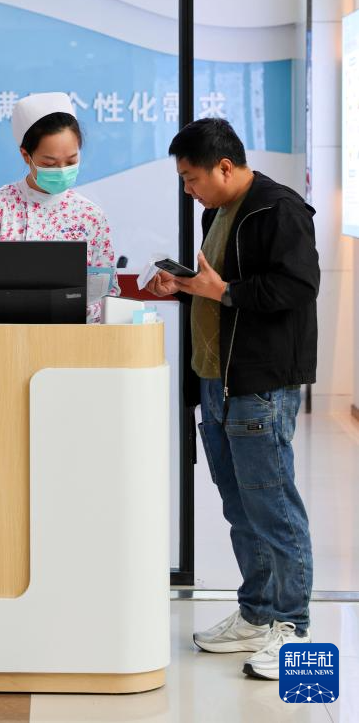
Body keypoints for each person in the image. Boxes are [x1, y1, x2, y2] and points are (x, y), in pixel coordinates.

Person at [146, 118, 319, 681]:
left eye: (191, 178)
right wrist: (184, 287)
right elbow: (220, 293)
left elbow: (298, 287)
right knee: (240, 507)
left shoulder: (279, 209)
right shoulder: (216, 212)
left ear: (224, 166)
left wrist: (221, 290)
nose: (187, 189)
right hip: (214, 380)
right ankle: (256, 614)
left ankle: (293, 627)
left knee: (274, 507)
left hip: (258, 384)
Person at [0, 91, 119, 322]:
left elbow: (109, 294)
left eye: (71, 160)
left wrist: (76, 308)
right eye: (49, 163)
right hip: (6, 334)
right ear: (25, 155)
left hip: (74, 336)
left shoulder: (90, 215)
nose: (62, 170)